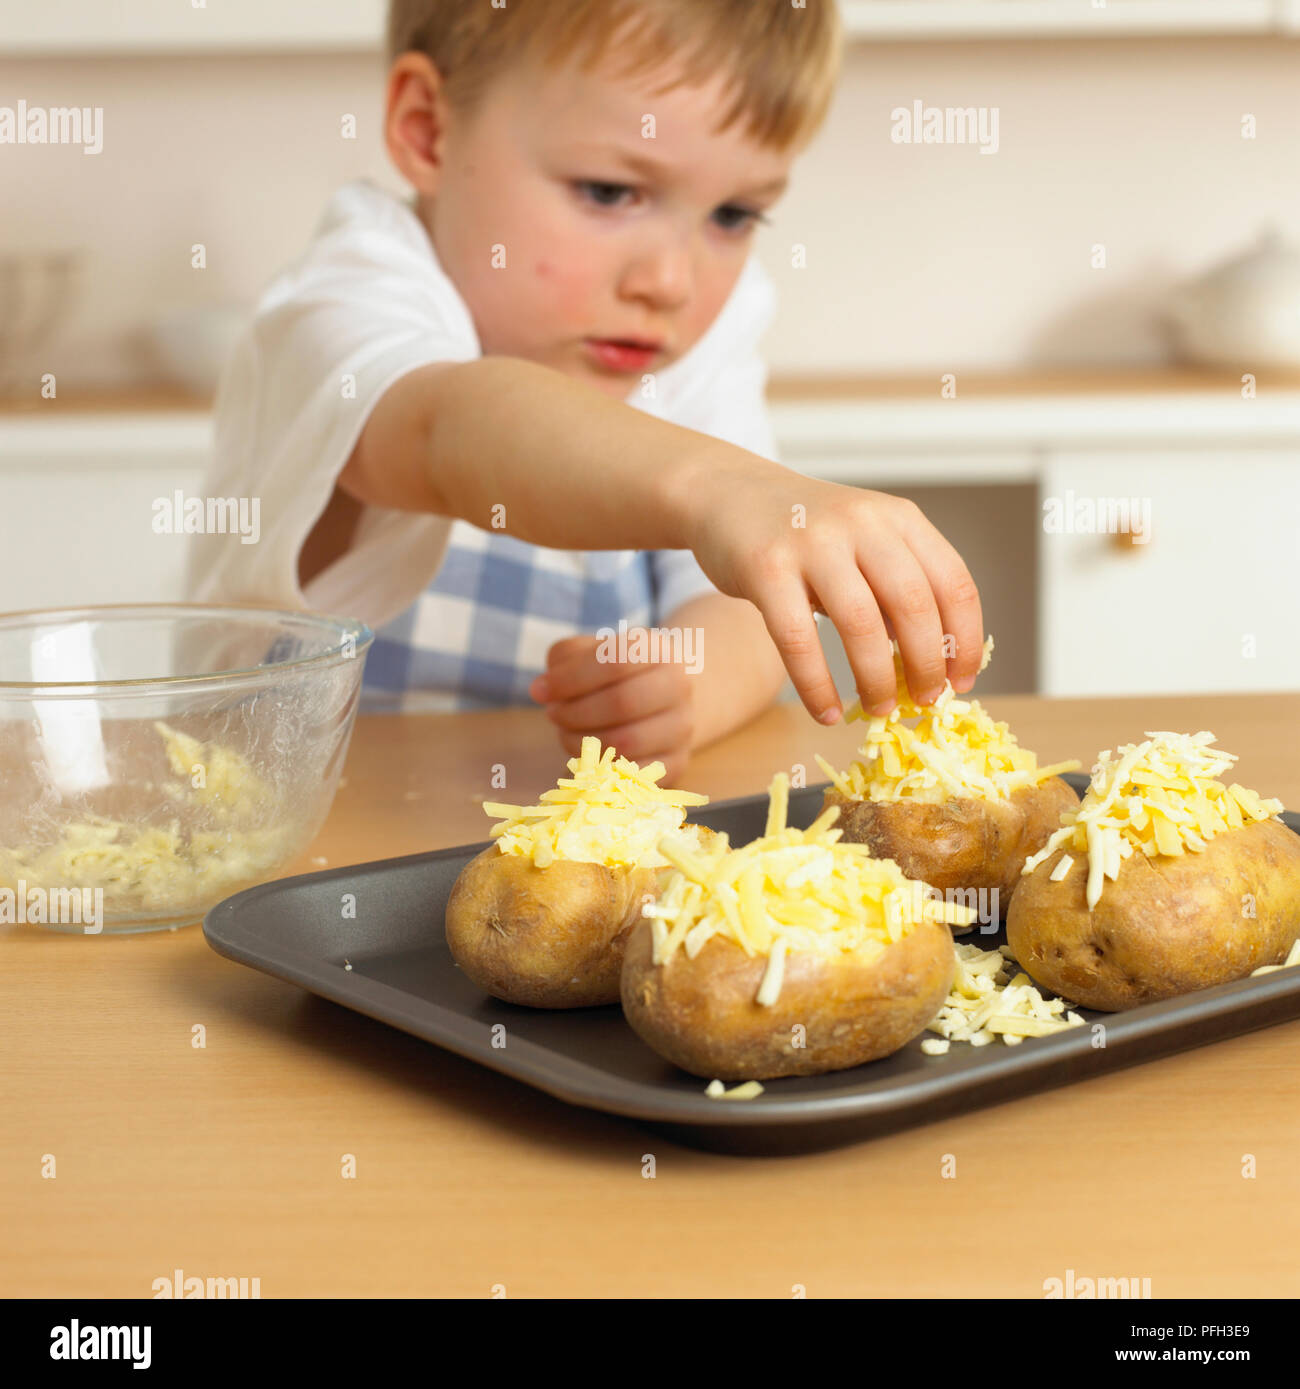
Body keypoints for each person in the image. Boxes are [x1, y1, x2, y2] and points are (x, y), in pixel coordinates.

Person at [187, 0, 984, 786]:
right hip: (282, 836)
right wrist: (724, 486)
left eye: (734, 215)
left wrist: (684, 688)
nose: (669, 282)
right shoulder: (353, 294)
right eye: (609, 192)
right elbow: (445, 431)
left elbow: (736, 598)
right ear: (428, 128)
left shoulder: (693, 339)